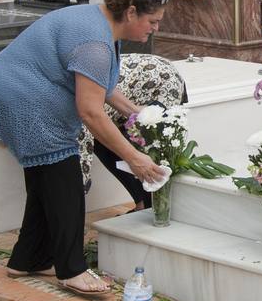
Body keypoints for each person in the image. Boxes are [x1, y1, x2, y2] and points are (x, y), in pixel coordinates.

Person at [0, 0, 169, 295]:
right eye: (153, 20)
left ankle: (27, 259)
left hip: (8, 89)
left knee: (44, 181)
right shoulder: (95, 43)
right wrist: (134, 157)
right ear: (131, 12)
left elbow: (103, 88)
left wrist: (141, 116)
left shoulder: (100, 23)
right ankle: (71, 269)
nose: (155, 28)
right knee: (64, 181)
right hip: (21, 99)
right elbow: (90, 111)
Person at [79, 53, 187, 212]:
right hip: (120, 92)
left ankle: (158, 206)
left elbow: (80, 167)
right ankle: (142, 202)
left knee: (154, 147)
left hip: (159, 81)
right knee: (105, 141)